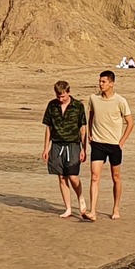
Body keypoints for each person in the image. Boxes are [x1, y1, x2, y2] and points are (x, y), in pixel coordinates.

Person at [83, 69, 133, 222]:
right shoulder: (93, 98)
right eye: (100, 81)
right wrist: (90, 133)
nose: (100, 84)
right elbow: (90, 116)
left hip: (114, 145)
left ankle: (116, 208)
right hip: (98, 143)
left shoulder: (120, 101)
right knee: (94, 176)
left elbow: (130, 123)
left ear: (112, 83)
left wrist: (122, 142)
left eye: (104, 82)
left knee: (116, 177)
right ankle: (92, 211)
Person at [41, 80, 87, 217]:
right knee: (62, 177)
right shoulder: (52, 105)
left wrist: (84, 149)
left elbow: (83, 129)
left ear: (68, 92)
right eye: (58, 96)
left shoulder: (78, 106)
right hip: (56, 144)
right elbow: (48, 128)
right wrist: (45, 148)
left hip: (73, 144)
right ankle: (68, 208)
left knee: (73, 176)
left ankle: (80, 197)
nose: (60, 99)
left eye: (63, 96)